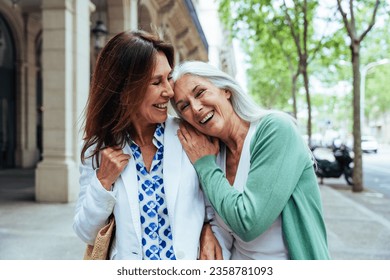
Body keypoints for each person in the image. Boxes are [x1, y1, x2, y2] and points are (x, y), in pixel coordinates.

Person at [73, 30, 219, 260]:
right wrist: (102, 184)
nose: (169, 92)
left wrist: (210, 229)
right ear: (125, 89)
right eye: (156, 82)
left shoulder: (189, 134)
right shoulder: (98, 148)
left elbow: (214, 199)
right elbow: (85, 232)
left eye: (168, 78)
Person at [171, 61, 331, 260]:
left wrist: (205, 166)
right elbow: (218, 220)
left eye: (200, 92)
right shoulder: (213, 153)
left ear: (225, 90)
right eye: (184, 106)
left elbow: (248, 223)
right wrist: (206, 228)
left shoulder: (275, 130)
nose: (195, 108)